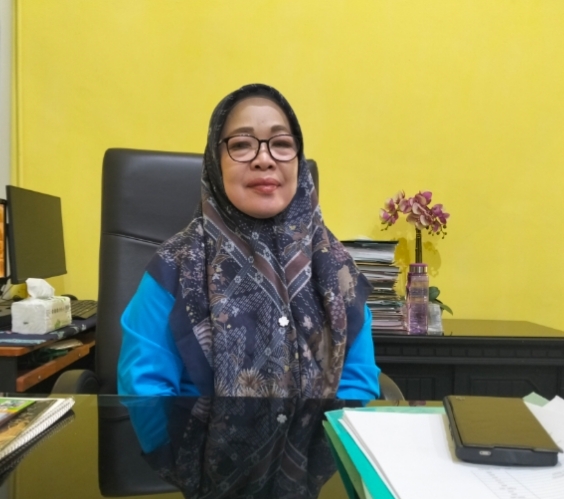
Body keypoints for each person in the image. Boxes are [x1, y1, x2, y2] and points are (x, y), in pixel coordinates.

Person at [118, 83, 380, 400]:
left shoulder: (335, 271)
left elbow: (357, 390)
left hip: (321, 433)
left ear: (298, 161)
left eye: (281, 143)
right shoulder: (175, 268)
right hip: (192, 433)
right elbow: (145, 394)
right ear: (215, 163)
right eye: (241, 144)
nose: (264, 159)